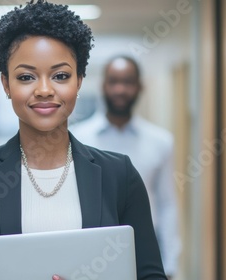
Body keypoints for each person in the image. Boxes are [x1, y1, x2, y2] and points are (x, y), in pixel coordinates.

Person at [0, 1, 167, 279]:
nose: (43, 90)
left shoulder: (120, 176)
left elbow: (150, 274)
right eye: (26, 77)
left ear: (79, 81)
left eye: (60, 75)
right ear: (6, 84)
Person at [70, 56, 181, 278]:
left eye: (128, 82)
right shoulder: (77, 138)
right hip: (90, 249)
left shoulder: (160, 141)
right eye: (114, 81)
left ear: (140, 87)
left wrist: (170, 263)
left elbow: (166, 203)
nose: (120, 89)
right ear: (103, 85)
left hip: (145, 246)